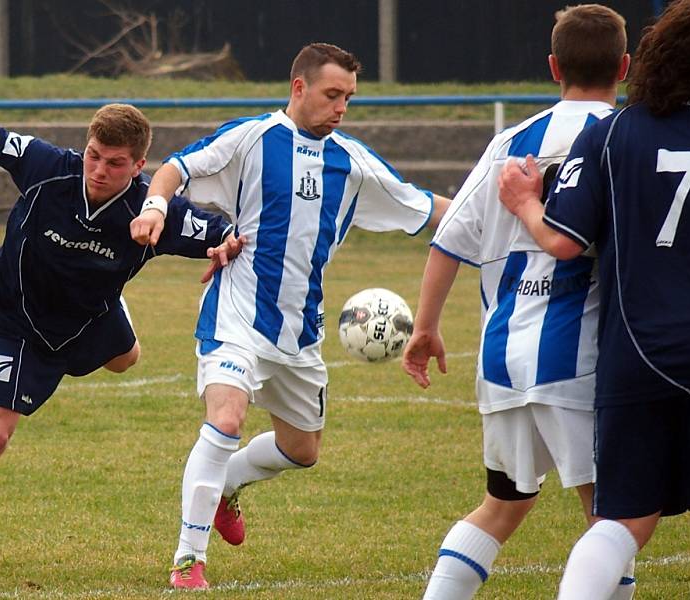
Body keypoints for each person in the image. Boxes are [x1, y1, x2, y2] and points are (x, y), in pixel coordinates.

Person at [0, 25, 241, 578]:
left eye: (115, 163)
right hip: (15, 318)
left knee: (127, 359)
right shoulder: (46, 168)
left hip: (87, 315)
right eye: (94, 155)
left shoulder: (155, 213)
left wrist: (226, 245)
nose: (99, 169)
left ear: (139, 166)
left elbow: (223, 231)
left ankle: (116, 318)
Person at [129, 42, 451, 589]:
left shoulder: (351, 162)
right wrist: (155, 207)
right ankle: (188, 560)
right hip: (235, 319)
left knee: (302, 452)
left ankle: (227, 487)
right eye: (331, 95)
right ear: (298, 88)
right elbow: (175, 171)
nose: (341, 107)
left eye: (348, 97)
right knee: (226, 419)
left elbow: (425, 207)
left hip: (301, 336)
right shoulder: (252, 139)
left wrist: (504, 216)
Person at [402, 5, 636, 599]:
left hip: (502, 353)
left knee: (502, 505)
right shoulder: (625, 136)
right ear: (625, 67)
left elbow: (448, 238)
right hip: (580, 360)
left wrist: (425, 326)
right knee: (612, 518)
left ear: (553, 65)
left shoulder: (511, 141)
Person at [498, 1, 690, 597]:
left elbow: (563, 242)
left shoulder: (612, 132)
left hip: (637, 352)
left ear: (650, 60)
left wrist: (525, 204)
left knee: (622, 521)